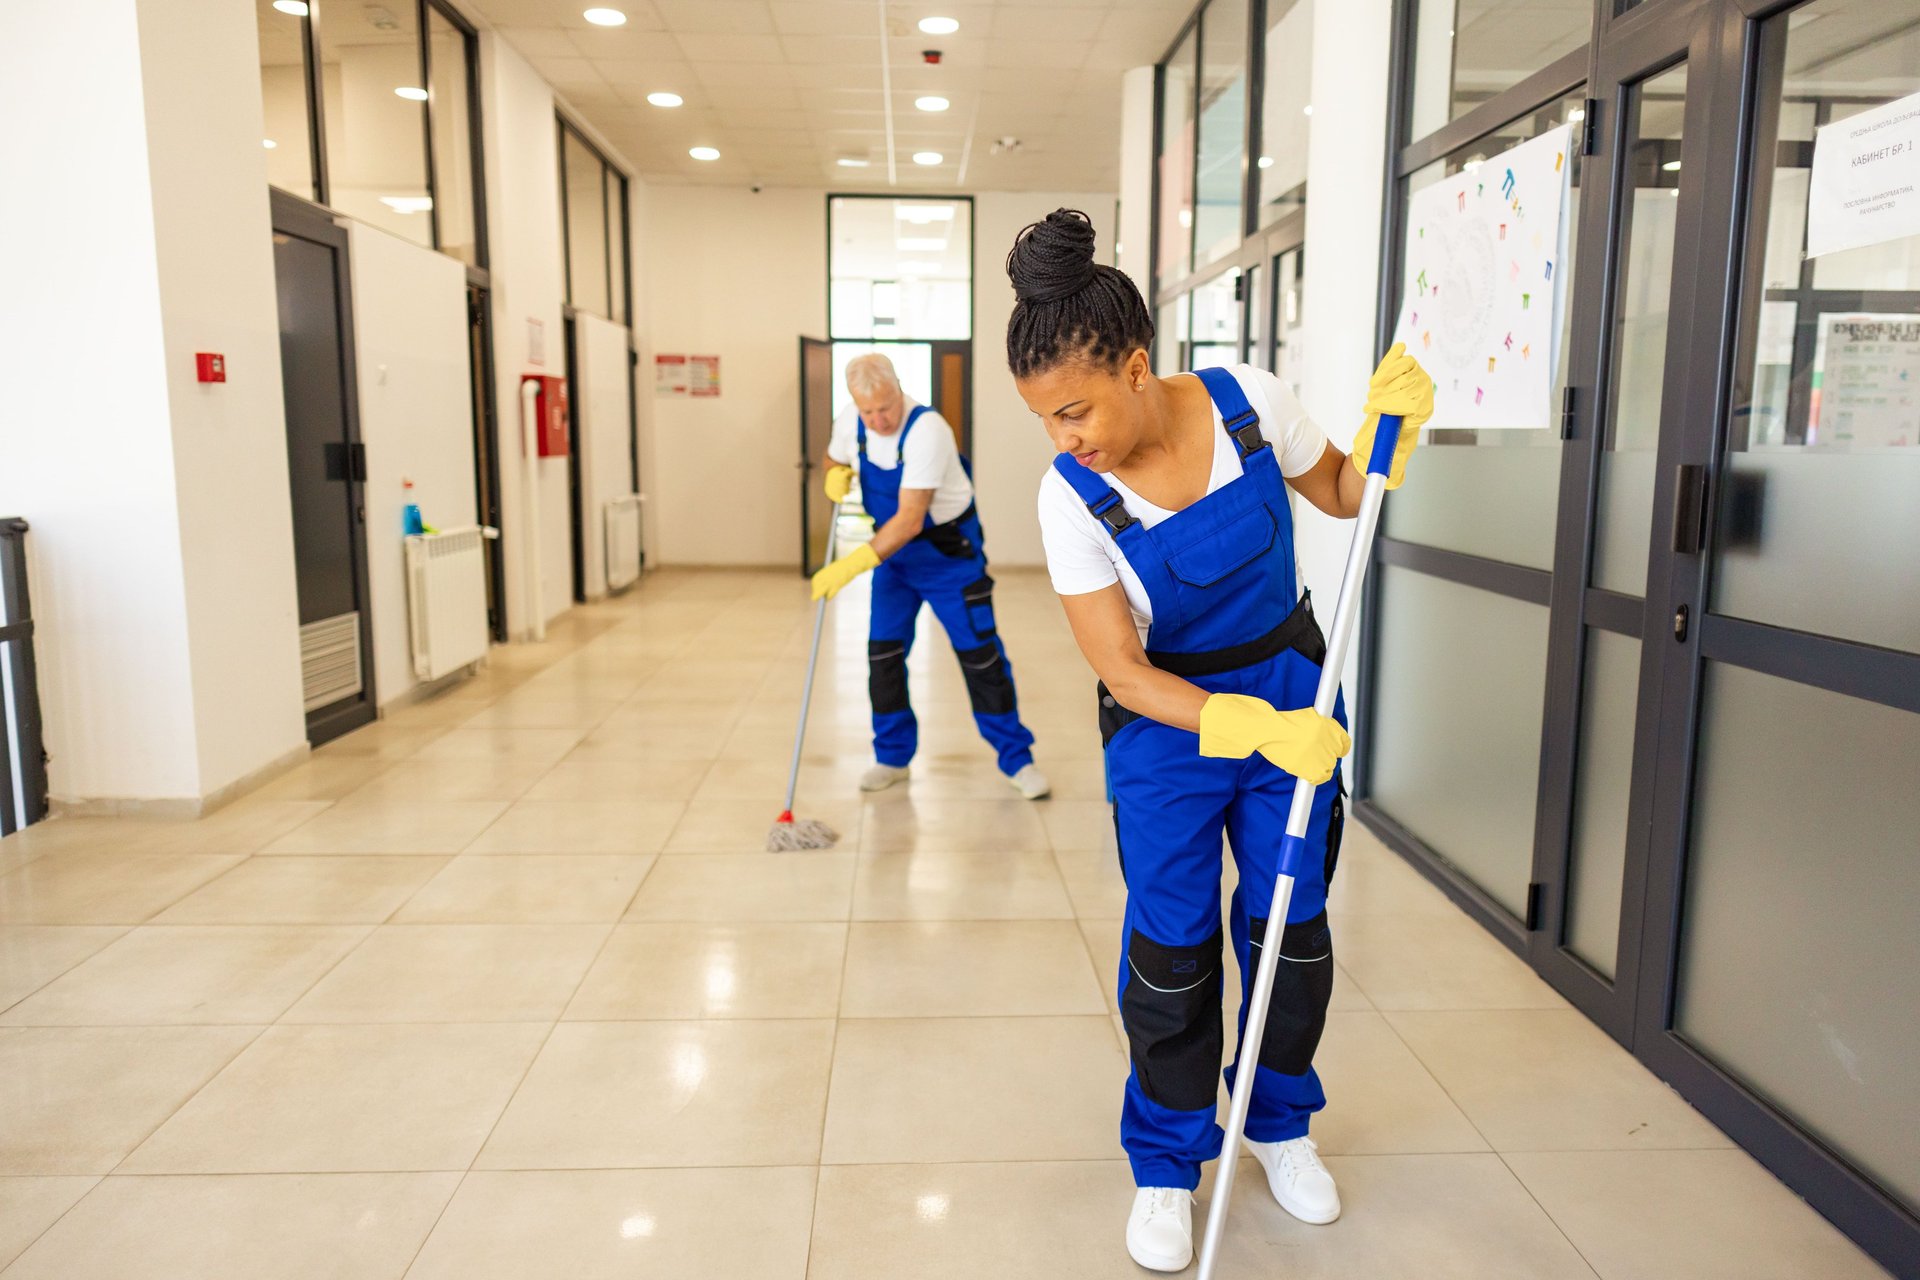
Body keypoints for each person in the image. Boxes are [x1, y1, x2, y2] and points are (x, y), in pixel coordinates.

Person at [1007, 210, 1432, 1272]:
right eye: (1046, 420)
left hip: (1295, 689)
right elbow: (1120, 665)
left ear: (1138, 367)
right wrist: (1232, 723)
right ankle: (1165, 1161)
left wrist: (1388, 443)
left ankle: (1279, 1123)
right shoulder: (1072, 499)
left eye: (1075, 410)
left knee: (1290, 926)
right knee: (1173, 949)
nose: (1067, 438)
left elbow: (1338, 492)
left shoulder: (1250, 400)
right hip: (1166, 730)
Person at [811, 352, 1050, 800]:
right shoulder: (851, 420)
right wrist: (834, 474)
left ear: (898, 389)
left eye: (885, 407)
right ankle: (892, 756)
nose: (879, 420)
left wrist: (850, 565)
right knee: (882, 658)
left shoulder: (928, 431)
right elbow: (831, 459)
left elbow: (910, 519)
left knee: (981, 657)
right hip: (895, 563)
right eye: (868, 411)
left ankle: (1018, 759)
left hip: (949, 559)